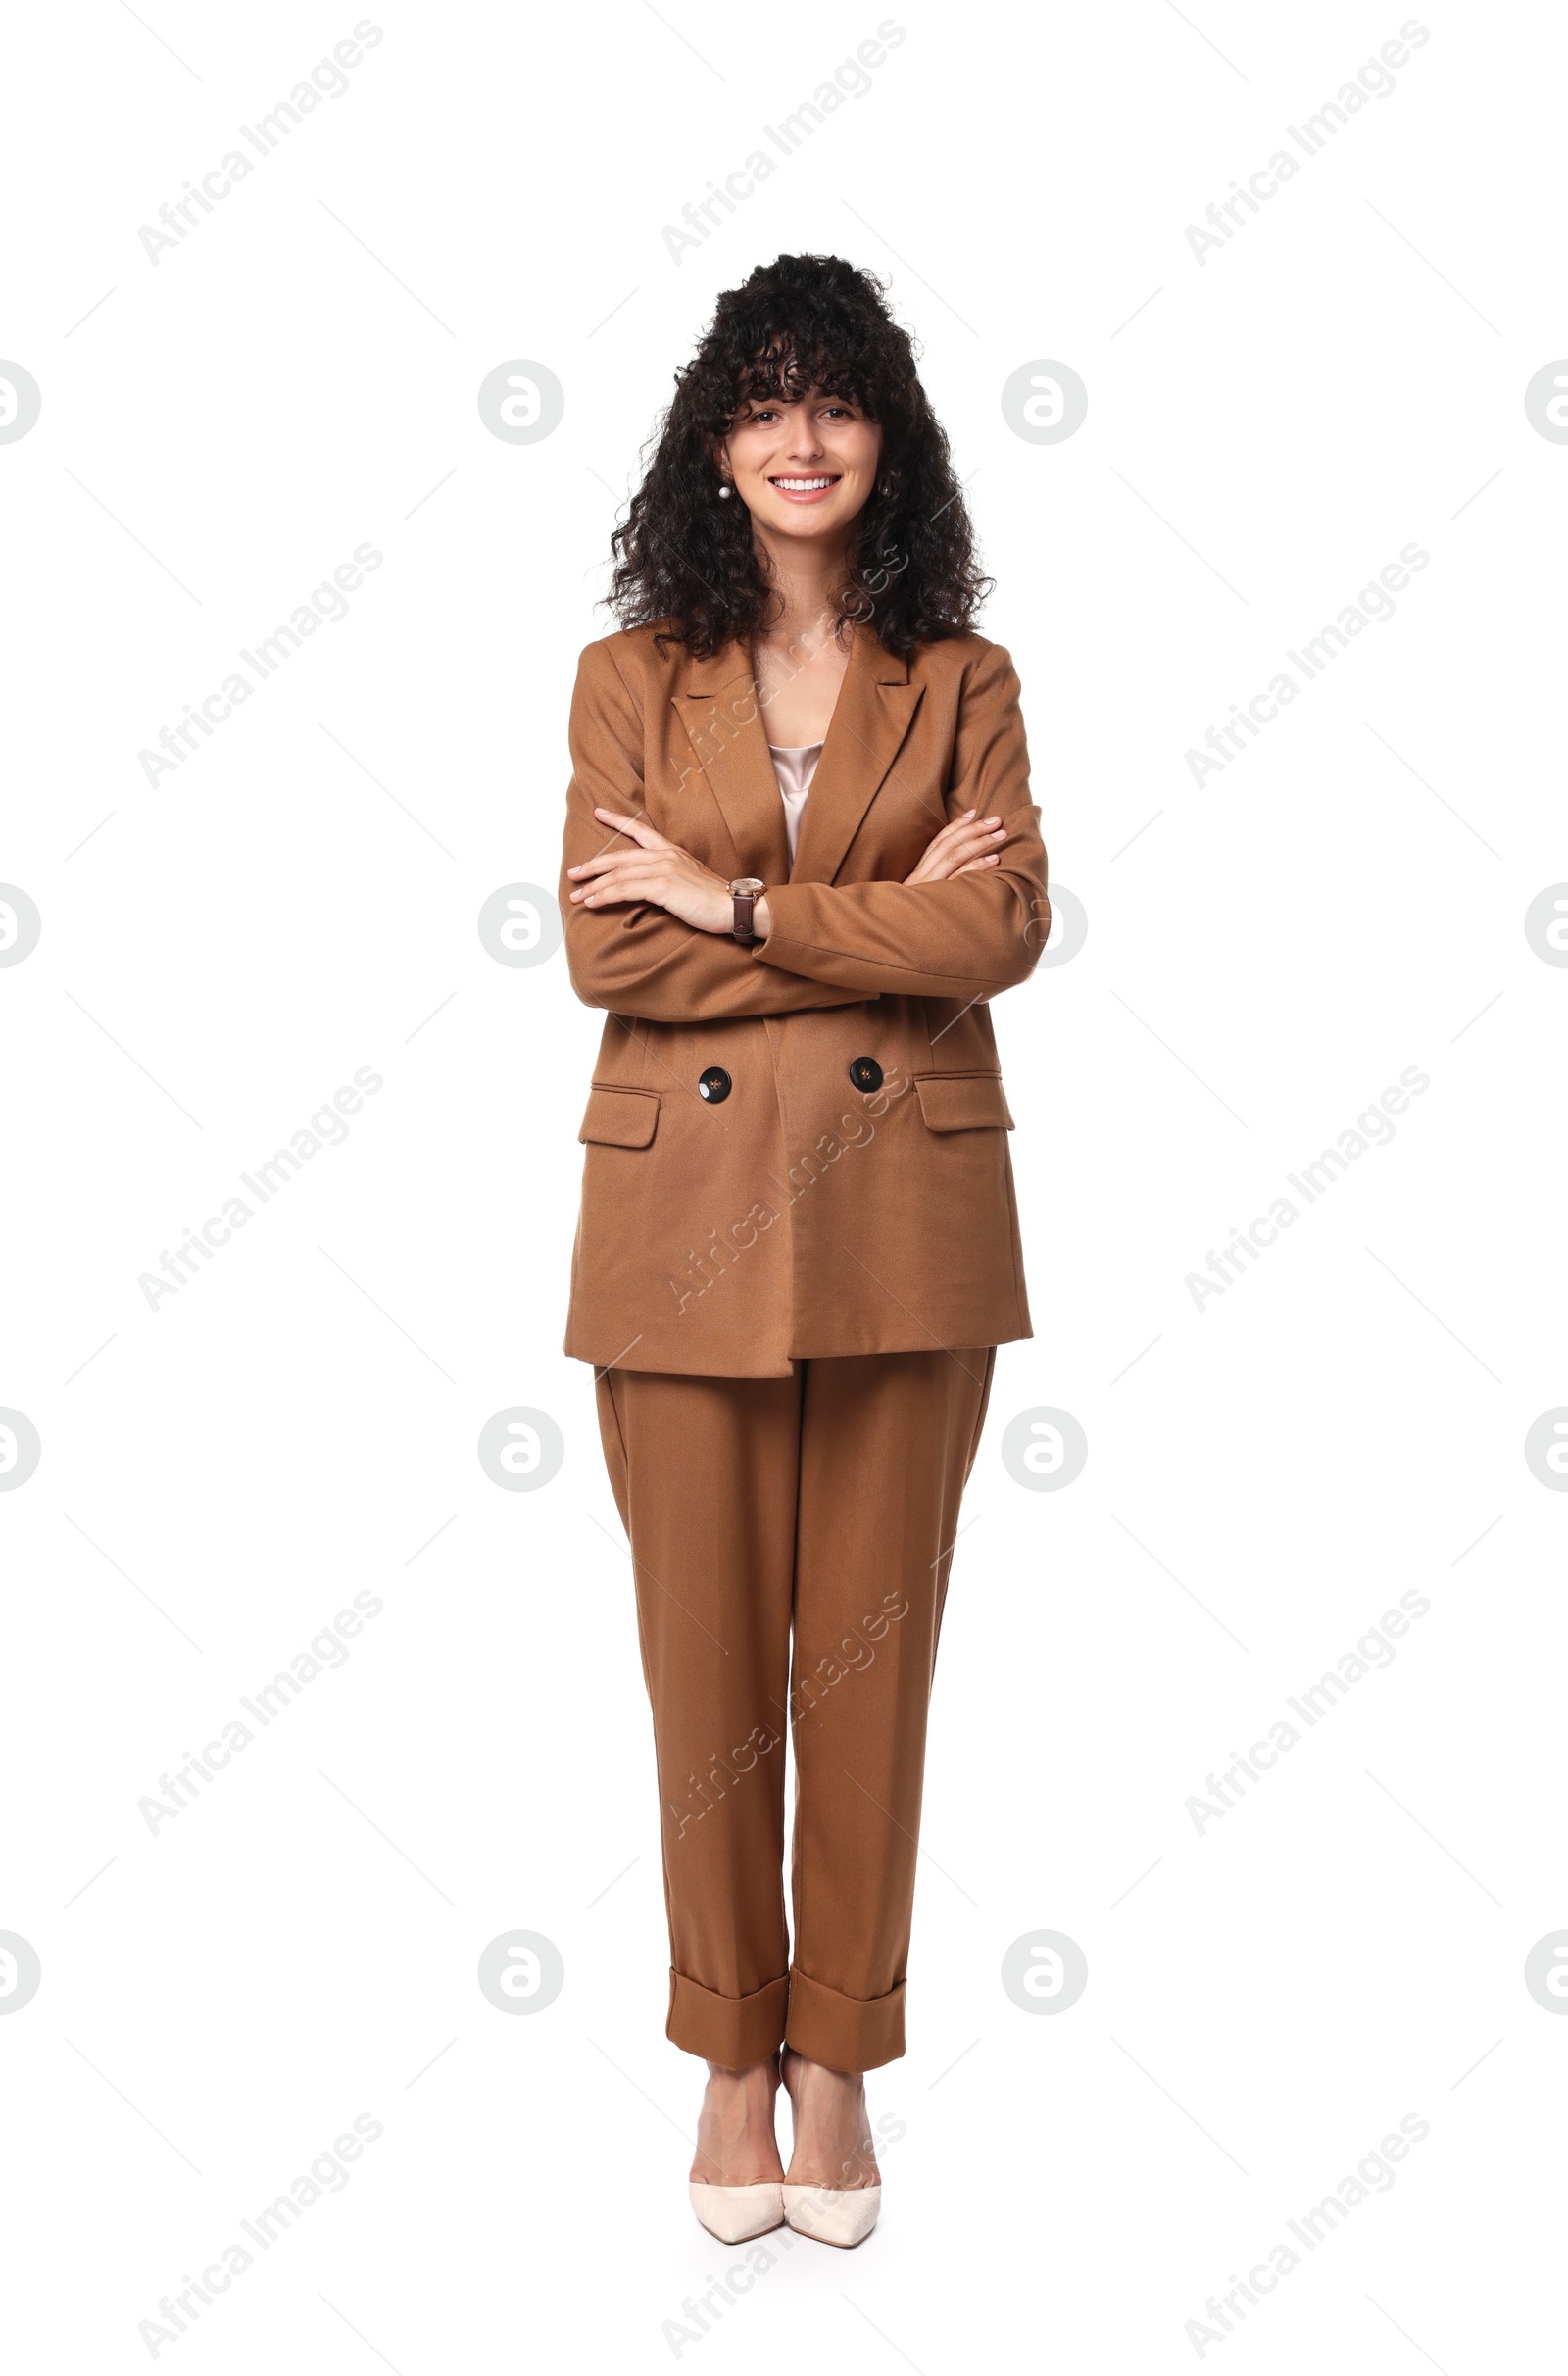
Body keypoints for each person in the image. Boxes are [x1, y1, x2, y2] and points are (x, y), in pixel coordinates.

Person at [558, 253, 1048, 2249]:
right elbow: (606, 944)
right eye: (762, 402)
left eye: (833, 401)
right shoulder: (624, 675)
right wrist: (863, 913)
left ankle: (835, 2061)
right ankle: (723, 2052)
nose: (798, 438)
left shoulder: (968, 681)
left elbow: (998, 933)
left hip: (903, 1223)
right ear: (712, 439)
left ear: (885, 436)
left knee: (869, 1657)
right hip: (673, 1229)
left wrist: (742, 910)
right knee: (705, 1679)